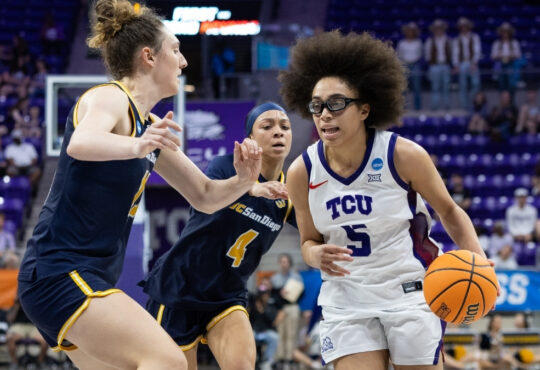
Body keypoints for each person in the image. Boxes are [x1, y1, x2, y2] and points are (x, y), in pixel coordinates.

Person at [17, 1, 265, 369]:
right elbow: (81, 143)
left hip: (80, 277)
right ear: (148, 57)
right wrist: (139, 144)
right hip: (60, 271)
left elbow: (206, 196)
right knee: (168, 361)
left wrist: (243, 181)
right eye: (176, 51)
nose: (183, 62)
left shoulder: (146, 125)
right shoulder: (110, 97)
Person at [279, 30, 492, 369]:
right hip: (347, 300)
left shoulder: (403, 155)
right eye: (317, 105)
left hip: (410, 292)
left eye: (336, 103)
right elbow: (307, 241)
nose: (324, 114)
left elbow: (449, 210)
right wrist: (315, 254)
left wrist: (478, 261)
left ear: (364, 109)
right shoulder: (302, 171)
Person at [142, 101, 294, 370]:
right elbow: (207, 196)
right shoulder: (226, 165)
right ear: (250, 138)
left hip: (227, 294)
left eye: (285, 126)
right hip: (180, 287)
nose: (278, 132)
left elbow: (317, 227)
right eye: (267, 126)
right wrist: (251, 187)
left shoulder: (288, 194)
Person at [270, 253, 303, 369]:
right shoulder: (274, 278)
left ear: (289, 263)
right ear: (279, 263)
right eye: (282, 262)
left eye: (286, 262)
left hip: (292, 307)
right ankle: (280, 359)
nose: (284, 264)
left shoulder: (296, 277)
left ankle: (288, 360)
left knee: (291, 334)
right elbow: (272, 296)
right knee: (280, 334)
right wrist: (280, 293)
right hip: (280, 309)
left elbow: (301, 293)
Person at [452, 17, 481, 110]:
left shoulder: (475, 37)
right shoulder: (457, 39)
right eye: (462, 26)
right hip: (462, 63)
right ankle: (464, 105)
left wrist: (474, 62)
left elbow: (477, 51)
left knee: (476, 84)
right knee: (462, 85)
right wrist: (456, 65)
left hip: (472, 62)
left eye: (465, 26)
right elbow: (455, 53)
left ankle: (473, 102)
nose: (464, 28)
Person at [424, 19, 452, 110]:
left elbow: (452, 52)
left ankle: (447, 106)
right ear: (434, 30)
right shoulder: (430, 41)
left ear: (443, 29)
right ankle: (435, 106)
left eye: (440, 28)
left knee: (446, 87)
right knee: (435, 87)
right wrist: (432, 62)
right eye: (437, 28)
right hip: (434, 66)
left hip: (445, 65)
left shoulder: (448, 40)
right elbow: (427, 54)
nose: (439, 30)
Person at [396, 22, 423, 110]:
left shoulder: (418, 42)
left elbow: (420, 54)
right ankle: (402, 108)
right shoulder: (402, 43)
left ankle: (417, 107)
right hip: (405, 65)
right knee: (403, 88)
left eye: (412, 31)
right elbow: (399, 55)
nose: (410, 32)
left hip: (415, 65)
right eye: (409, 31)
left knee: (417, 87)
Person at [490, 22, 522, 97]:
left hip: (511, 64)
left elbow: (518, 55)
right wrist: (500, 56)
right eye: (503, 31)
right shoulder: (497, 43)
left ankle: (511, 101)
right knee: (502, 84)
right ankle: (503, 101)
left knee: (511, 85)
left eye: (507, 31)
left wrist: (510, 56)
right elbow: (493, 56)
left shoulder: (514, 43)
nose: (505, 33)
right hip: (500, 64)